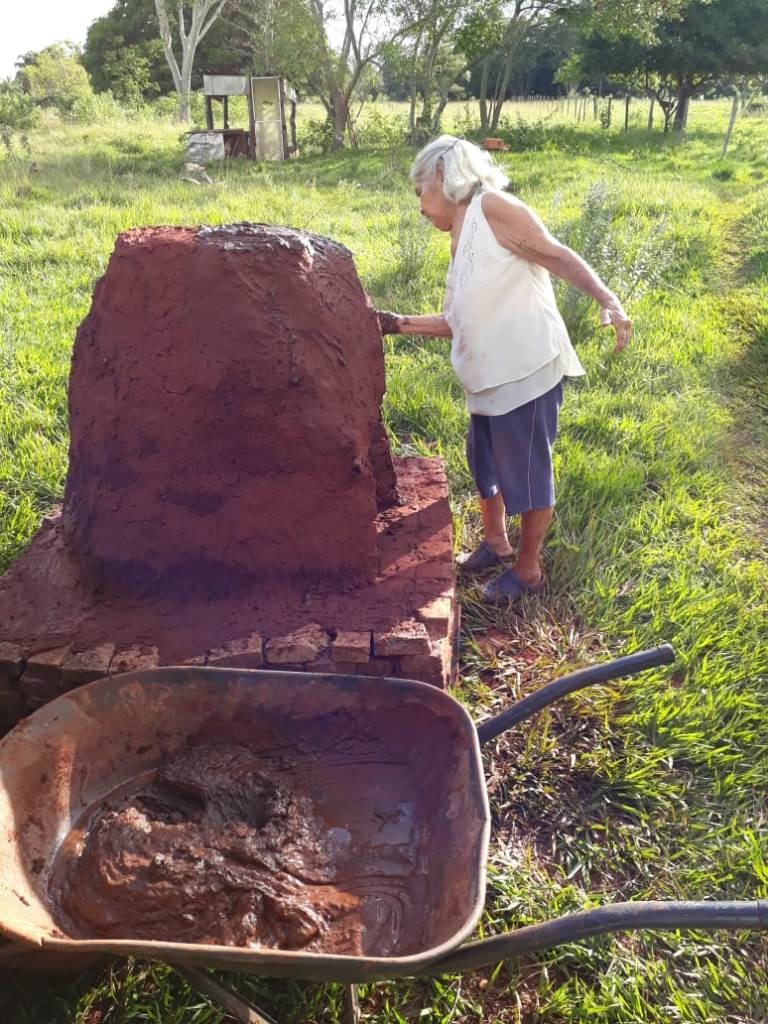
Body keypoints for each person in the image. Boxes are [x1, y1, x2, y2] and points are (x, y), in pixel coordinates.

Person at [377, 135, 632, 604]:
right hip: (488, 378)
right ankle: (495, 544)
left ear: (441, 177)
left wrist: (607, 299)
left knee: (528, 472)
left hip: (525, 368)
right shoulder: (461, 232)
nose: (420, 208)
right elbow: (457, 323)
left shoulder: (493, 206)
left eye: (420, 194)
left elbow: (554, 253)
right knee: (484, 461)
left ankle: (529, 570)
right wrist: (391, 324)